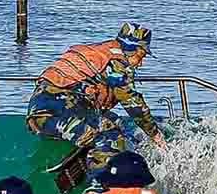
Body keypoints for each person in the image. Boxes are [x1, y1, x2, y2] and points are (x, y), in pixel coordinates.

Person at [24, 21, 165, 163]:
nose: (141, 63)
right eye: (141, 56)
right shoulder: (118, 63)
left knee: (114, 121)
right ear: (131, 49)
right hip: (61, 109)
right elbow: (132, 103)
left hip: (39, 110)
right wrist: (155, 135)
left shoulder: (98, 50)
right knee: (111, 140)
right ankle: (99, 177)